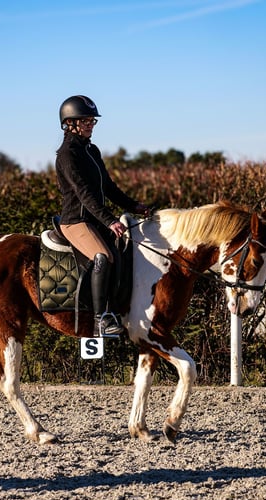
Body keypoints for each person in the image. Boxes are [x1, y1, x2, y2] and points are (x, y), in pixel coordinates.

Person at [55, 94, 151, 337]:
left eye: (92, 121)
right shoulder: (67, 154)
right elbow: (84, 193)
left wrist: (133, 206)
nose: (90, 124)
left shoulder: (91, 150)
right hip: (76, 221)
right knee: (103, 256)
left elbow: (107, 187)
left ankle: (119, 309)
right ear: (70, 124)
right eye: (85, 120)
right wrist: (110, 220)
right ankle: (101, 319)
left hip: (94, 220)